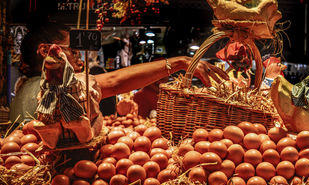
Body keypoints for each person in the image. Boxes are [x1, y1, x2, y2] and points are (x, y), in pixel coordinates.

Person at [10, 18, 228, 123]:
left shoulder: (27, 88)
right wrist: (179, 62)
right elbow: (113, 81)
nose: (78, 58)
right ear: (45, 51)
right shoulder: (52, 86)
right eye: (73, 51)